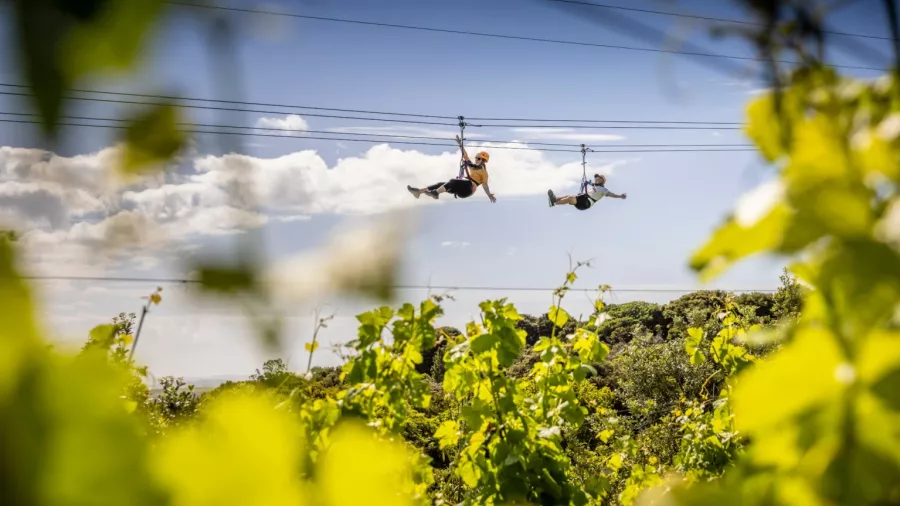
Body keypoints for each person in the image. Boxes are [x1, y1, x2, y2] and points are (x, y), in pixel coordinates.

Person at [407, 135, 497, 203]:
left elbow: (485, 186)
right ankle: (418, 192)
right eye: (476, 157)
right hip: (462, 188)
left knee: (453, 181)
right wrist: (460, 144)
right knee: (441, 184)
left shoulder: (483, 173)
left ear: (483, 161)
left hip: (468, 189)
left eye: (478, 158)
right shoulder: (472, 166)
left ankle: (435, 193)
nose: (476, 159)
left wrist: (489, 195)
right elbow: (465, 155)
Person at [548, 174, 626, 210]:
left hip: (586, 202)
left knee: (571, 198)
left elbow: (611, 194)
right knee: (569, 196)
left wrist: (620, 196)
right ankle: (554, 199)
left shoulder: (603, 190)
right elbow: (591, 184)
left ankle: (554, 203)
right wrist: (587, 183)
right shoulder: (595, 186)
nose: (597, 180)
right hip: (583, 199)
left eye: (599, 179)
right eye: (596, 179)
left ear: (602, 181)